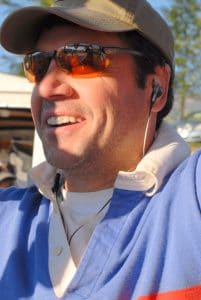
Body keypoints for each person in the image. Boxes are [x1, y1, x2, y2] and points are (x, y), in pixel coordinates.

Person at [0, 0, 201, 299]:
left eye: (82, 58)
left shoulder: (189, 200)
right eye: (38, 65)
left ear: (155, 87)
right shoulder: (8, 218)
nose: (47, 88)